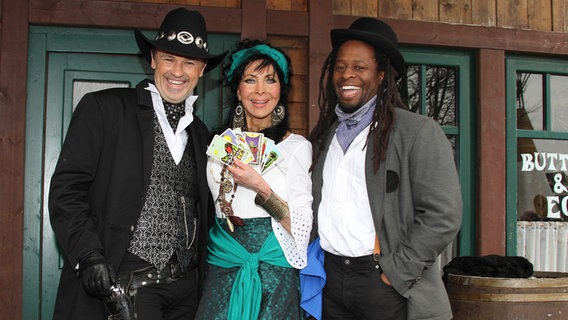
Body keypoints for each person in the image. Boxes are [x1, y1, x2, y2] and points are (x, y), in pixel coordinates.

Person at [48, 8, 226, 320]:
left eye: (189, 62)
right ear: (153, 59)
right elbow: (67, 191)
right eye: (169, 58)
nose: (178, 71)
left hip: (186, 293)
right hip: (125, 288)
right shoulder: (104, 109)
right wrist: (88, 254)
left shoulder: (201, 134)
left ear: (201, 70)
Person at [308, 17, 462, 319]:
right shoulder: (324, 134)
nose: (346, 75)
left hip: (384, 281)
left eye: (359, 67)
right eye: (340, 67)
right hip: (331, 279)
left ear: (381, 75)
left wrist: (397, 272)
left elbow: (444, 215)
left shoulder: (417, 132)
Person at [195, 40, 313, 320]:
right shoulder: (216, 146)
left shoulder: (297, 147)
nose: (260, 90)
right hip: (223, 264)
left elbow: (301, 229)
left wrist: (260, 185)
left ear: (281, 90)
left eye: (270, 81)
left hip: (274, 272)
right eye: (250, 80)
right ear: (238, 90)